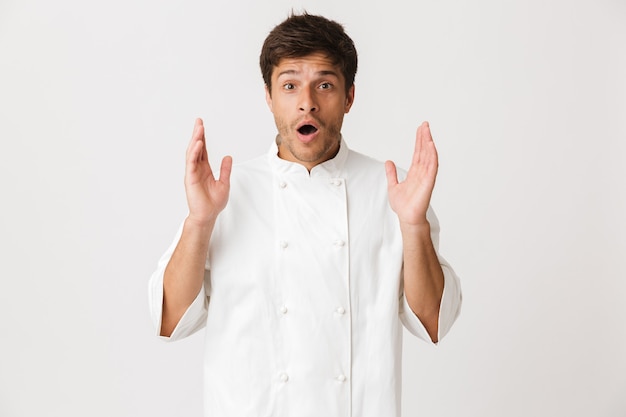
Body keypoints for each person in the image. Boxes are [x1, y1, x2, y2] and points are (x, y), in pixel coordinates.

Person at [149, 12, 461, 417]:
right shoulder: (223, 195)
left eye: (325, 85)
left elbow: (433, 322)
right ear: (269, 96)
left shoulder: (396, 192)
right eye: (290, 85)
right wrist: (200, 222)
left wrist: (414, 225)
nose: (307, 102)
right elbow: (170, 321)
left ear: (349, 96)